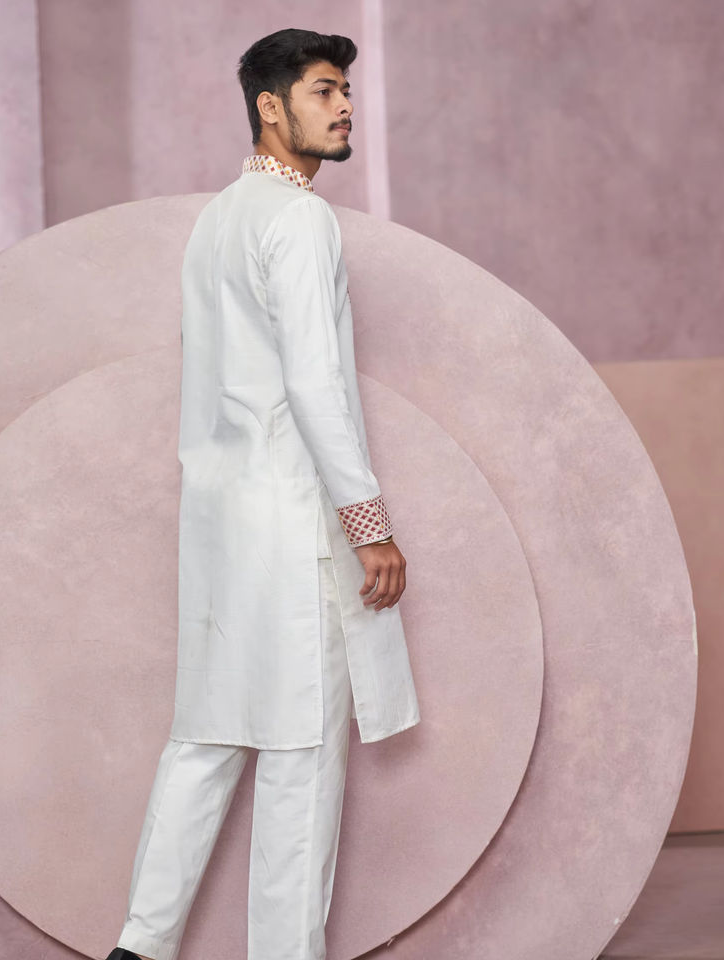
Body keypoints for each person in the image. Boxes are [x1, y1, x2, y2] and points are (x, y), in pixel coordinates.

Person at [106, 27, 420, 960]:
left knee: (205, 739)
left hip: (218, 521)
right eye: (325, 90)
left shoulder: (218, 218)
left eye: (346, 90)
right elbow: (315, 386)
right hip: (288, 524)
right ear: (271, 106)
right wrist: (369, 524)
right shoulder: (299, 219)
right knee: (300, 758)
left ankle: (138, 946)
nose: (345, 106)